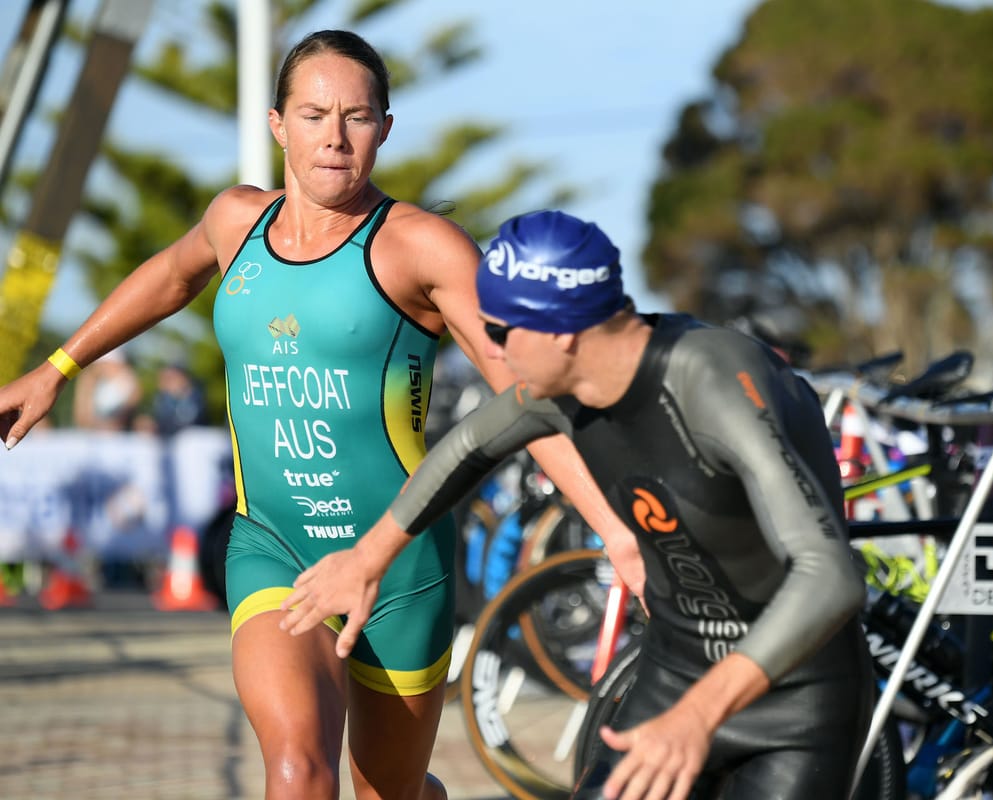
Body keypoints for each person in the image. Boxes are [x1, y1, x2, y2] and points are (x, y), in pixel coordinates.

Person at [0, 32, 639, 800]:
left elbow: (525, 392)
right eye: (313, 114)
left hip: (400, 569)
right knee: (298, 771)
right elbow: (171, 276)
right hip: (274, 549)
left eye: (357, 116)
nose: (334, 137)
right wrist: (55, 369)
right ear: (277, 124)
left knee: (391, 794)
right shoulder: (236, 222)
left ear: (385, 128)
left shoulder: (421, 247)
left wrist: (613, 525)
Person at [280, 210, 873, 799]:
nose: (490, 349)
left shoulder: (709, 376)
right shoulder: (559, 389)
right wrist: (366, 560)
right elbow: (465, 448)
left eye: (500, 330)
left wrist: (699, 716)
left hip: (791, 702)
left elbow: (830, 578)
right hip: (677, 673)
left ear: (561, 330)